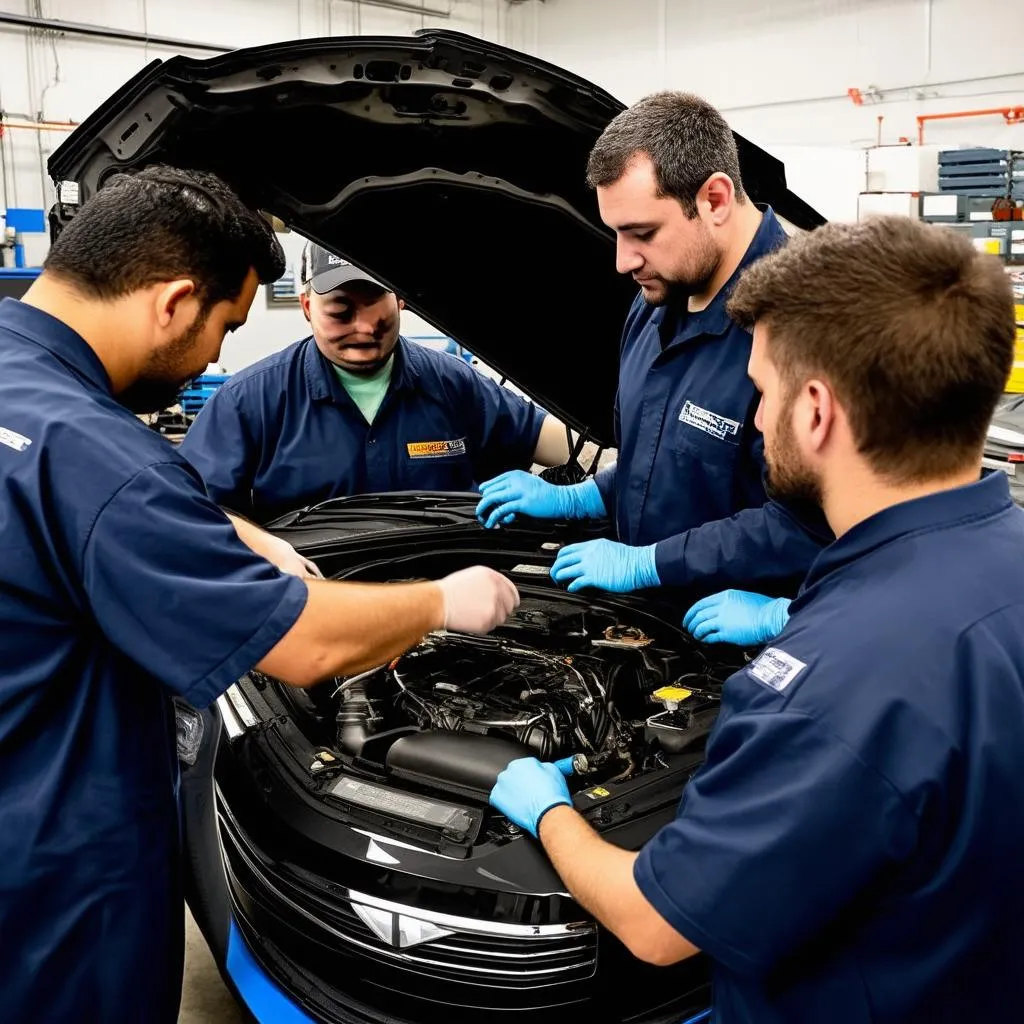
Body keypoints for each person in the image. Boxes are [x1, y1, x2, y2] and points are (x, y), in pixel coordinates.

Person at [0, 165, 520, 1024]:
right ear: (171, 301)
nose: (214, 356)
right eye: (224, 325)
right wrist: (443, 602)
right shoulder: (106, 460)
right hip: (57, 871)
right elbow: (303, 645)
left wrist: (236, 532)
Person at [488, 215, 1024, 1021]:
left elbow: (656, 925)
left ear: (815, 411)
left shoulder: (815, 697)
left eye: (764, 391)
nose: (759, 420)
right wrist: (788, 614)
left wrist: (546, 810)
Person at [476, 91, 829, 596]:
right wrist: (584, 497)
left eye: (641, 232)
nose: (623, 261)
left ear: (714, 200)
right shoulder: (656, 298)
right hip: (644, 633)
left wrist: (654, 563)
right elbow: (664, 464)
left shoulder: (808, 324)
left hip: (741, 645)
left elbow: (815, 525)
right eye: (617, 233)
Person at [179, 240, 570, 524]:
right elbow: (193, 514)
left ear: (399, 298)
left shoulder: (455, 384)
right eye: (342, 311)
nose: (364, 327)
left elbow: (556, 444)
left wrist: (587, 492)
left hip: (450, 612)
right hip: (312, 606)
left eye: (374, 303)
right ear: (307, 307)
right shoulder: (248, 403)